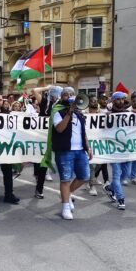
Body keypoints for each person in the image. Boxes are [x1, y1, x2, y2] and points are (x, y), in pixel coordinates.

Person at [52, 86, 93, 220]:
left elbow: (83, 133)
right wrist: (69, 113)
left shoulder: (80, 114)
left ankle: (67, 194)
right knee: (65, 179)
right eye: (66, 95)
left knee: (84, 176)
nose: (69, 96)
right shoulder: (58, 112)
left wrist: (88, 148)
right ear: (62, 97)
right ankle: (65, 207)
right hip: (65, 151)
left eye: (72, 94)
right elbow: (59, 129)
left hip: (80, 151)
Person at [103, 92, 132, 210]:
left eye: (122, 99)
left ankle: (110, 188)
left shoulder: (128, 114)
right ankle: (120, 199)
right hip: (113, 149)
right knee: (116, 175)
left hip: (126, 148)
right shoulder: (107, 115)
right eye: (118, 99)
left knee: (126, 174)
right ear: (113, 101)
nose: (120, 101)